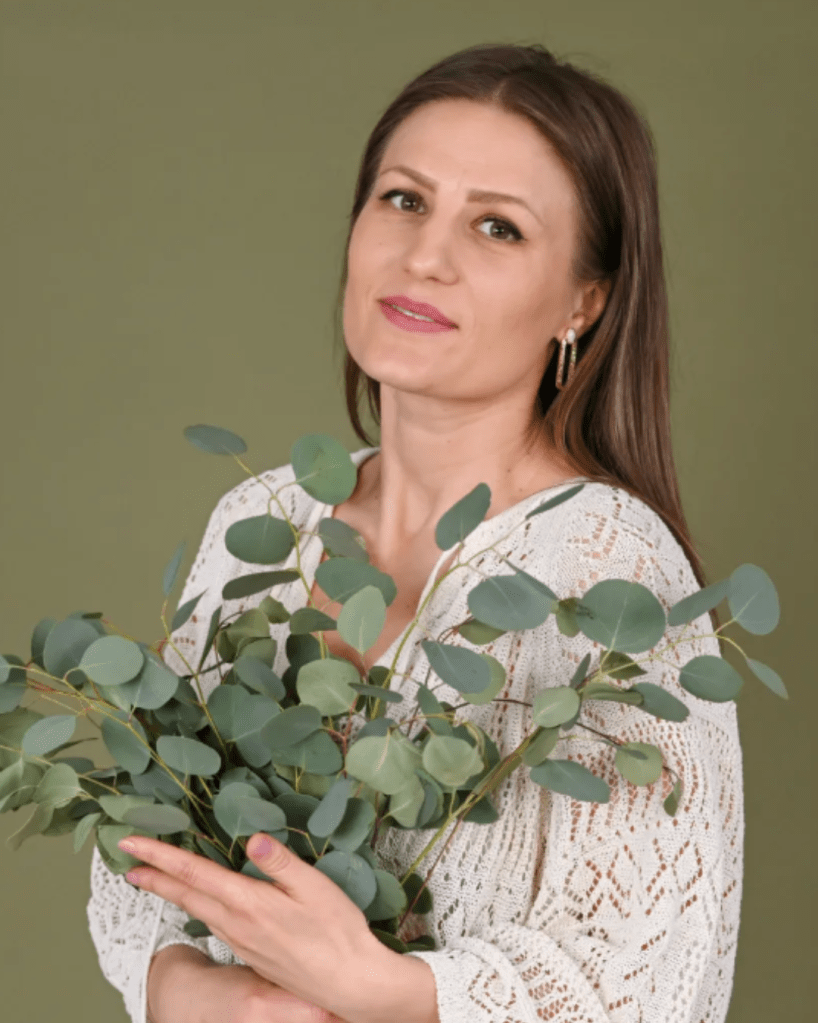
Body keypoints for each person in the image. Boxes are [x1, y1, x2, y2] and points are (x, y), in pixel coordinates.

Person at [87, 41, 744, 1023]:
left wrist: (379, 990)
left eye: (496, 226)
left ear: (584, 300)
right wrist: (195, 992)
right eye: (403, 199)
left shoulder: (610, 576)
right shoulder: (261, 522)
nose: (425, 256)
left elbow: (649, 980)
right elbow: (139, 851)